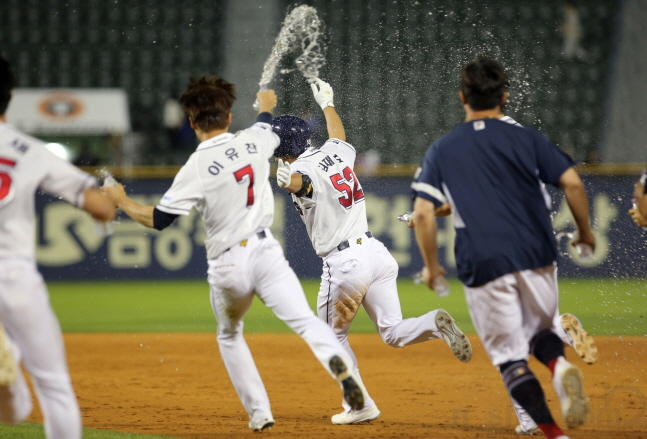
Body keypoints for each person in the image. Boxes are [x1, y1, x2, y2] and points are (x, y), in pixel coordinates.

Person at [101, 76, 364, 431]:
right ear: (228, 117)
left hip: (227, 263)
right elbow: (266, 124)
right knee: (305, 320)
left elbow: (160, 219)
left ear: (192, 123)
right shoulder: (255, 140)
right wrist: (267, 104)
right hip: (265, 252)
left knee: (229, 334)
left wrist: (121, 201)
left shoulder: (196, 165)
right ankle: (341, 367)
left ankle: (260, 415)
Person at [412, 57, 595, 439]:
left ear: (462, 97)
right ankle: (560, 368)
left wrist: (431, 267)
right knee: (539, 332)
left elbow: (424, 214)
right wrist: (585, 233)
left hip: (484, 258)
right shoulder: (527, 138)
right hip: (537, 251)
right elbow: (574, 185)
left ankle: (553, 434)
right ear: (505, 97)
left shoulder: (443, 148)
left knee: (509, 357)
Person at [272, 78, 472, 425]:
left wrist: (286, 178)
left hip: (345, 263)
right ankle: (432, 325)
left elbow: (301, 184)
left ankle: (360, 405)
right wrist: (327, 103)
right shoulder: (333, 153)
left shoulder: (299, 170)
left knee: (328, 337)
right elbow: (339, 137)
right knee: (392, 332)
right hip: (376, 254)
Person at [0, 55, 116, 439]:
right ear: (10, 95)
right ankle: (11, 366)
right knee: (53, 386)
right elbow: (99, 207)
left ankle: (9, 365)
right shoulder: (27, 148)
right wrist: (112, 197)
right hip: (14, 275)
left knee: (15, 410)